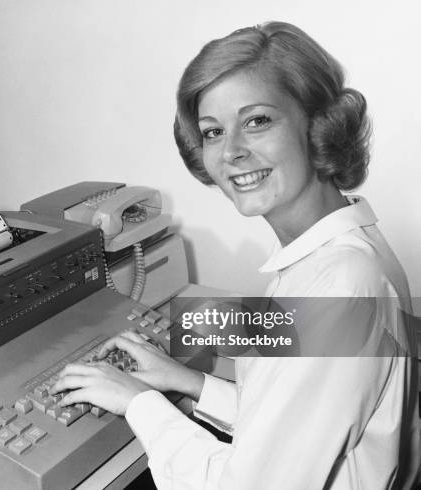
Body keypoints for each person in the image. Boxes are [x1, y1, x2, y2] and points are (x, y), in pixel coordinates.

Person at [50, 21, 421, 489]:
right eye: (212, 132)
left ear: (318, 124)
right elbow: (297, 422)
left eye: (257, 121)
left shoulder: (340, 287)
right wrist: (190, 384)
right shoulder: (337, 253)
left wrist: (140, 404)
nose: (231, 152)